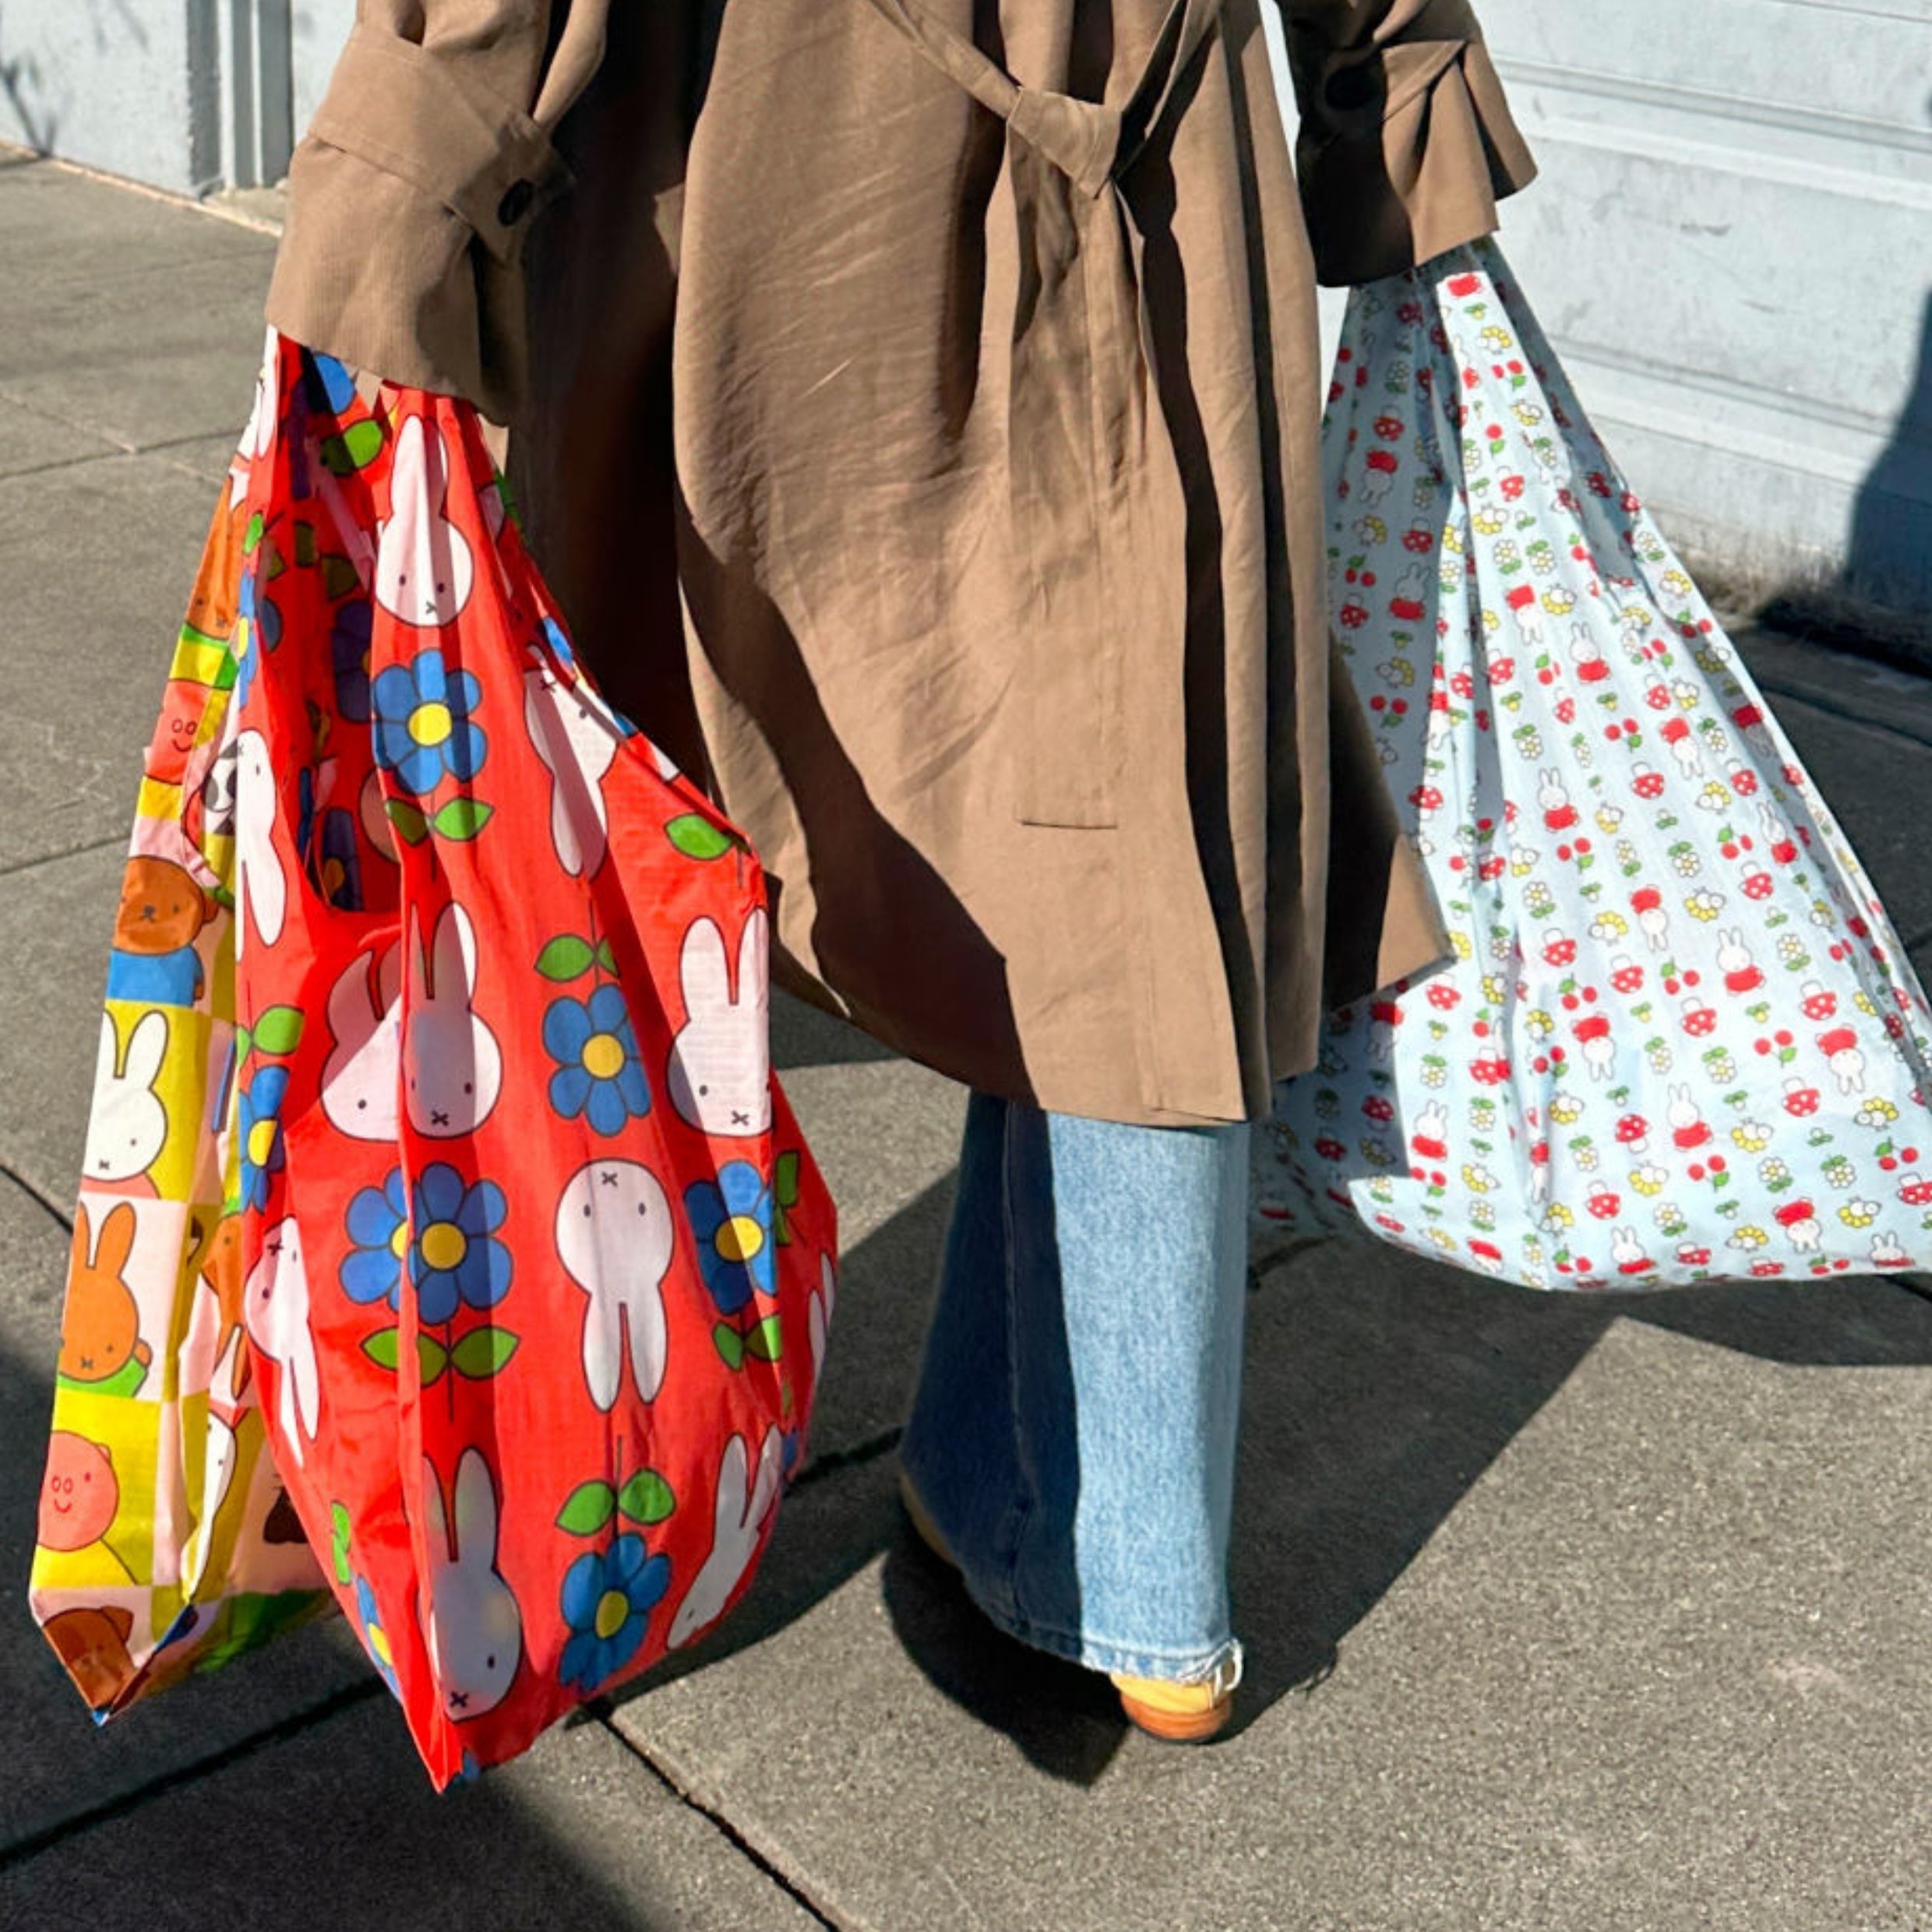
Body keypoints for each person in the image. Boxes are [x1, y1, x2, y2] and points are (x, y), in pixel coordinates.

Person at [265, 0, 1535, 1739]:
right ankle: (1122, 1553)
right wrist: (1395, 108)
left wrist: (398, 184)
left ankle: (576, 1470)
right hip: (1151, 151)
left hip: (768, 178)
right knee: (1123, 799)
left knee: (590, 836)